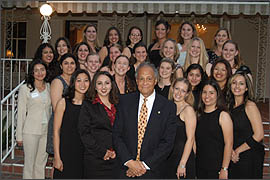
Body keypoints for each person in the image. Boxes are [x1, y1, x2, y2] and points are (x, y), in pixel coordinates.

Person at [113, 62, 177, 178]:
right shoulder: (124, 102)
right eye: (141, 79)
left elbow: (167, 143)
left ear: (155, 80)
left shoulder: (168, 107)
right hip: (125, 170)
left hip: (153, 172)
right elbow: (117, 135)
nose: (145, 83)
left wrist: (143, 165)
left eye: (149, 79)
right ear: (136, 81)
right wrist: (130, 162)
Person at [78, 71, 120, 178]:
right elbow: (84, 133)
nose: (103, 87)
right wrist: (102, 152)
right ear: (95, 86)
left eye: (107, 83)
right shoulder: (88, 105)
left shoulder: (119, 104)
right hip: (96, 160)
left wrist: (118, 151)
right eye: (99, 83)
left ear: (112, 85)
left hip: (117, 159)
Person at [16, 59, 51, 179]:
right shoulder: (25, 88)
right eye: (36, 70)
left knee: (41, 163)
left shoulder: (49, 86)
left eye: (42, 69)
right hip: (30, 131)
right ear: (32, 72)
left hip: (45, 131)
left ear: (46, 71)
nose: (40, 73)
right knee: (29, 164)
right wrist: (19, 136)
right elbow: (20, 113)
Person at [53, 69, 90, 178]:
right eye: (79, 80)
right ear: (73, 82)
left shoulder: (91, 104)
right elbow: (56, 132)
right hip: (66, 152)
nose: (82, 84)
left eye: (86, 80)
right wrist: (57, 157)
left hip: (84, 154)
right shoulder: (63, 103)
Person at [227, 73, 265, 178]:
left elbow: (259, 134)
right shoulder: (228, 106)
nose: (237, 86)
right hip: (232, 155)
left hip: (249, 154)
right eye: (234, 83)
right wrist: (231, 151)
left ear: (247, 87)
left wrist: (237, 151)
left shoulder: (250, 105)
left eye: (241, 84)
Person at [196, 79, 233, 179]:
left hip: (217, 168)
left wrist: (224, 168)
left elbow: (229, 144)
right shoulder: (198, 115)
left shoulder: (223, 115)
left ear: (217, 95)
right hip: (200, 167)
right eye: (204, 92)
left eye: (211, 93)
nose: (207, 96)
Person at [163, 78, 196, 179]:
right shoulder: (167, 108)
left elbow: (191, 139)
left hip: (183, 159)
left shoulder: (188, 110)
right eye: (177, 89)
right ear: (172, 89)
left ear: (187, 94)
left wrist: (182, 164)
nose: (179, 93)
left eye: (183, 91)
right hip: (168, 158)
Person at [46, 53, 78, 155]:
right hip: (60, 124)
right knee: (58, 158)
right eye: (66, 63)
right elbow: (56, 108)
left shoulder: (76, 81)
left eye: (72, 63)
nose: (69, 66)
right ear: (61, 66)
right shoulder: (57, 82)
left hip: (72, 124)